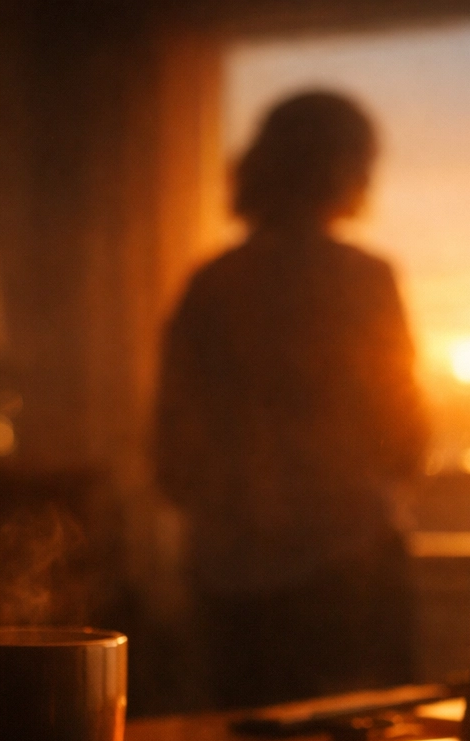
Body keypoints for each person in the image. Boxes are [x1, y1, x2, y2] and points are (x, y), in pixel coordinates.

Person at [154, 91, 429, 707]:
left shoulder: (212, 284)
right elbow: (406, 432)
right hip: (351, 573)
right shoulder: (363, 280)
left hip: (231, 578)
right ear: (344, 167)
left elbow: (170, 456)